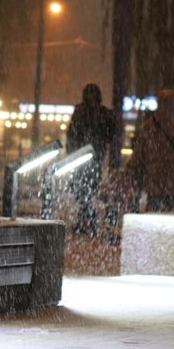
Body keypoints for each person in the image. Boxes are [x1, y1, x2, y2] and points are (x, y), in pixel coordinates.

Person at [132, 89, 174, 213]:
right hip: (166, 181)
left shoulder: (150, 127)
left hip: (159, 181)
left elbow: (138, 153)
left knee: (157, 210)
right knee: (161, 210)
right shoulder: (169, 128)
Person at [66, 83, 117, 236]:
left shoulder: (83, 112)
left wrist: (72, 153)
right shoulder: (102, 114)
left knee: (83, 190)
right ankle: (88, 218)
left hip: (82, 157)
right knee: (87, 189)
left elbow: (72, 135)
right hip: (94, 157)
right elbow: (111, 135)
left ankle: (86, 218)